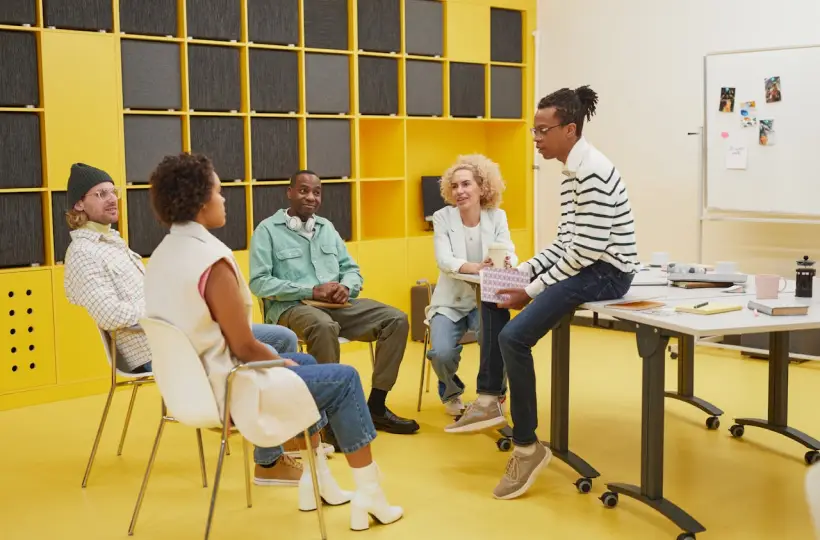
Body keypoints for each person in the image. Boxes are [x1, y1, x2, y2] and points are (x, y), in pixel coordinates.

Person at [143, 153, 403, 530]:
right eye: (218, 191)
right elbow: (244, 346)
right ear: (199, 200)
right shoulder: (212, 262)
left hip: (187, 387)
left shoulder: (161, 255)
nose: (224, 198)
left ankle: (317, 479)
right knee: (345, 378)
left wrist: (287, 359)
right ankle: (370, 494)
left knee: (309, 364)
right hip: (228, 390)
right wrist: (281, 362)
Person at [62, 162, 312, 487]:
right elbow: (109, 313)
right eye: (100, 194)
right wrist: (168, 304)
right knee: (267, 347)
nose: (112, 199)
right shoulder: (83, 253)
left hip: (182, 329)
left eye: (113, 191)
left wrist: (180, 302)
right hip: (159, 347)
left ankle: (278, 436)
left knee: (282, 337)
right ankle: (269, 461)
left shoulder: (112, 242)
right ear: (79, 204)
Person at [445, 86, 638, 500]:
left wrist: (529, 291)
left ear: (570, 129)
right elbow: (566, 242)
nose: (535, 138)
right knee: (494, 286)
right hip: (586, 264)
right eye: (534, 130)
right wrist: (522, 272)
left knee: (514, 337)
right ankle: (489, 397)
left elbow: (586, 252)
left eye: (542, 130)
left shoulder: (592, 172)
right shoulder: (570, 172)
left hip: (607, 272)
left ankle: (527, 448)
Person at [249, 170, 419, 436]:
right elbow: (259, 283)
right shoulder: (267, 231)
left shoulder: (327, 228)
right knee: (324, 326)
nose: (311, 197)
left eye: (317, 192)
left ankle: (376, 406)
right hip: (292, 308)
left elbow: (352, 270)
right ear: (289, 192)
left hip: (337, 307)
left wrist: (346, 287)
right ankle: (327, 419)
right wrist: (311, 290)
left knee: (395, 319)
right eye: (304, 190)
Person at [426, 154, 516, 416]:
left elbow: (509, 251)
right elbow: (444, 260)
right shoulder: (442, 217)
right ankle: (451, 391)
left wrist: (506, 261)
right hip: (449, 302)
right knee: (441, 353)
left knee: (500, 340)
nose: (460, 191)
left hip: (485, 299)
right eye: (454, 186)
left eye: (466, 184)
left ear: (482, 187)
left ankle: (495, 394)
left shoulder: (497, 217)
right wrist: (475, 267)